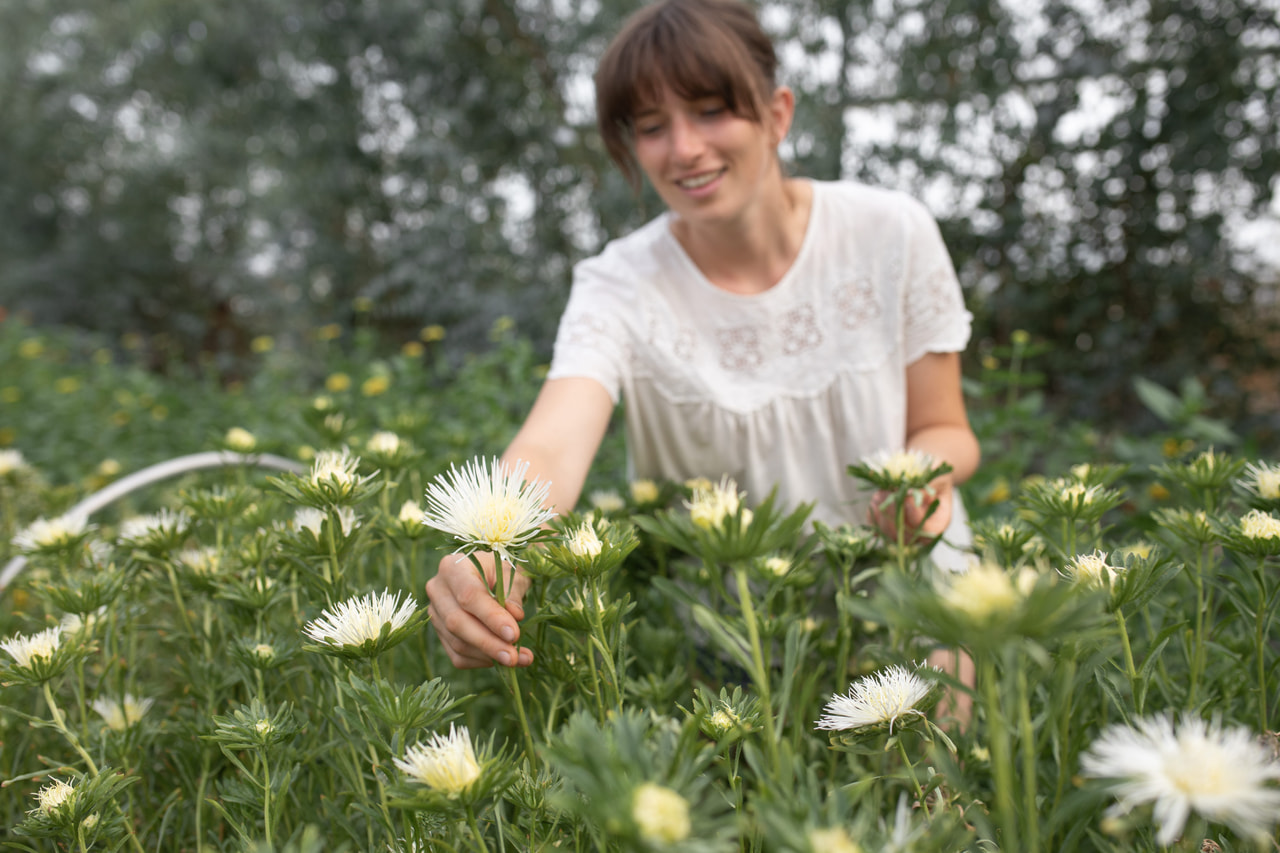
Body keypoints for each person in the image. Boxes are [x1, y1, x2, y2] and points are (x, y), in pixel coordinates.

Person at [425, 0, 981, 679]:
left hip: (908, 592)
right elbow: (551, 442)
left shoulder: (891, 231)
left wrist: (919, 482)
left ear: (777, 113)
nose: (684, 149)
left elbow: (946, 427)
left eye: (711, 111)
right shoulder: (617, 283)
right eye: (652, 127)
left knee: (935, 782)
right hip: (733, 636)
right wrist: (490, 544)